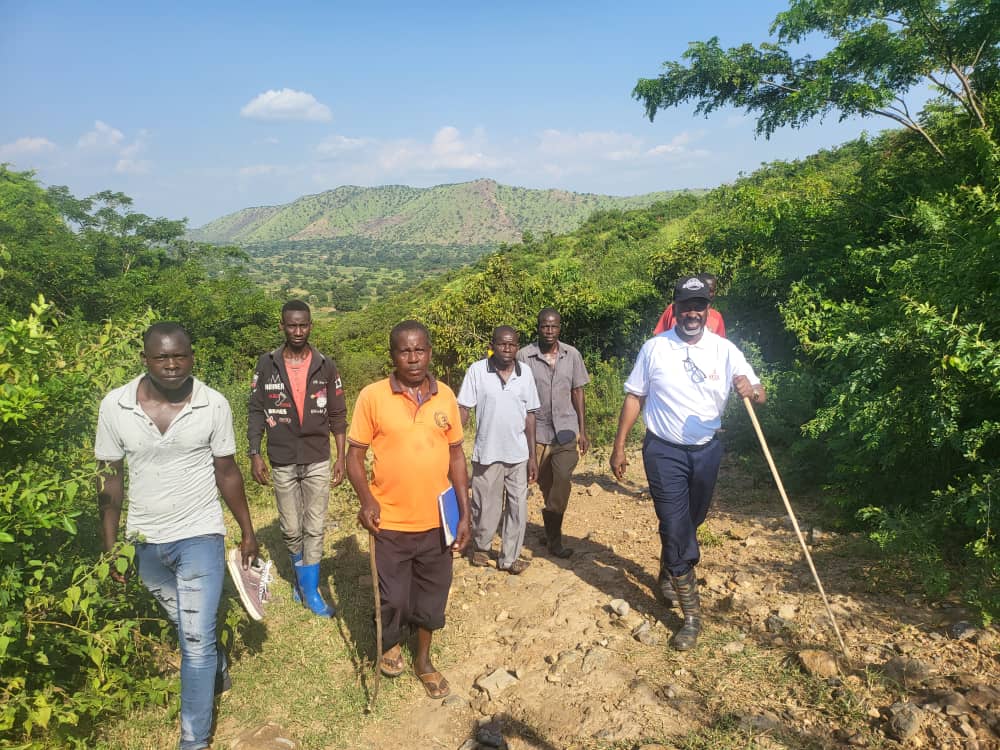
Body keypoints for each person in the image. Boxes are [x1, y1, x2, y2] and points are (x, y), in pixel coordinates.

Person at [95, 322, 260, 750]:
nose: (172, 365)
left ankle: (193, 740)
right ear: (145, 360)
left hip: (200, 533)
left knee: (193, 641)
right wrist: (110, 548)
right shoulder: (115, 406)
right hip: (146, 539)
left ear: (192, 356)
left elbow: (227, 471)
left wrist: (247, 530)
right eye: (161, 357)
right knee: (186, 623)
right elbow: (110, 481)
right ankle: (218, 665)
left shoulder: (213, 404)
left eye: (180, 356)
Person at [610, 276, 765, 651]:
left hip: (707, 449)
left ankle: (670, 564)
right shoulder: (654, 349)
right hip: (663, 450)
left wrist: (752, 390)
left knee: (691, 521)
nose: (692, 312)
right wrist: (619, 446)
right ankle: (691, 616)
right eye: (685, 306)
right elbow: (635, 397)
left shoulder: (725, 350)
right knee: (676, 524)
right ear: (674, 310)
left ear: (708, 308)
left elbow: (759, 392)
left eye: (699, 305)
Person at [346, 320, 471, 700]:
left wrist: (465, 513)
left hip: (438, 522)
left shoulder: (446, 396)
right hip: (391, 521)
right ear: (393, 355)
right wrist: (367, 500)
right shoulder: (372, 396)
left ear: (430, 353)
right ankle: (389, 642)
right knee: (394, 598)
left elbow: (456, 456)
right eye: (405, 351)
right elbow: (354, 456)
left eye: (420, 350)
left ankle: (424, 660)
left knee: (431, 600)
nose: (413, 358)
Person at [248, 299, 347, 617]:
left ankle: (311, 592)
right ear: (282, 326)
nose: (298, 331)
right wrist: (254, 453)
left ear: (311, 326)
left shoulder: (325, 364)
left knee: (314, 526)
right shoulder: (267, 365)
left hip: (317, 456)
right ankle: (302, 581)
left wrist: (340, 456)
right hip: (281, 458)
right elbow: (255, 410)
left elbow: (338, 414)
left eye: (303, 325)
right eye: (292, 325)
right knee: (291, 528)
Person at [457, 326, 540, 574]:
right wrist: (453, 445)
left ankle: (509, 558)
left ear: (517, 346)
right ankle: (482, 547)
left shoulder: (525, 374)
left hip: (518, 455)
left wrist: (533, 456)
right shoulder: (477, 371)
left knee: (517, 508)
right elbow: (464, 409)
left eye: (512, 345)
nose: (507, 349)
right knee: (486, 507)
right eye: (502, 344)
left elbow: (531, 416)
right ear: (492, 345)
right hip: (488, 452)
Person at [518, 308, 590, 558]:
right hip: (536, 432)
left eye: (554, 326)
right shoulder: (524, 356)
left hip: (567, 431)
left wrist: (583, 429)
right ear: (537, 327)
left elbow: (578, 392)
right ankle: (551, 531)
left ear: (560, 328)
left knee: (562, 480)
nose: (549, 331)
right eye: (544, 326)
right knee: (546, 485)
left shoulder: (572, 355)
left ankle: (554, 539)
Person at [652, 273, 726, 337]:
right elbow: (659, 334)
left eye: (711, 290)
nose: (692, 315)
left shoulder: (717, 317)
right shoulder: (672, 310)